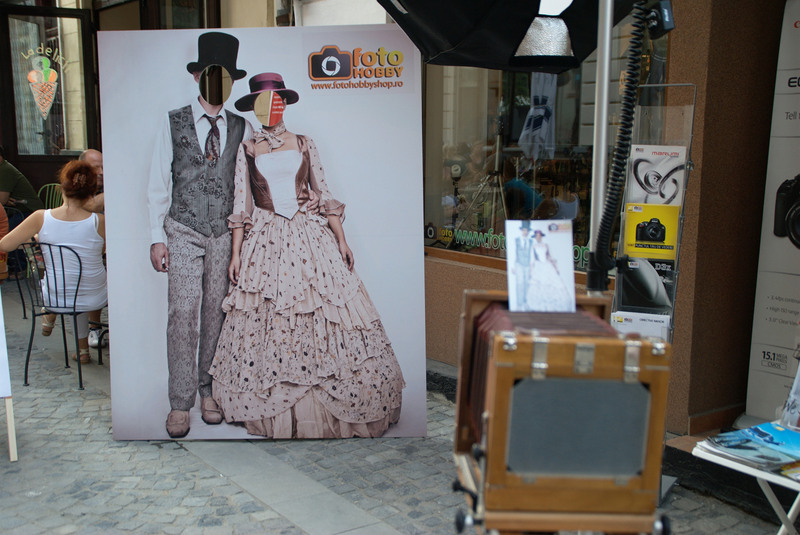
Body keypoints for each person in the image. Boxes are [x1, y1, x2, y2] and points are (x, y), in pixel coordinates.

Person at [208, 72, 405, 439]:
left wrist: (342, 240)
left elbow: (323, 191)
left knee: (322, 308)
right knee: (273, 313)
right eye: (262, 103)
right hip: (267, 237)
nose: (270, 107)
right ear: (255, 108)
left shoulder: (303, 142)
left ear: (283, 103)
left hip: (307, 232)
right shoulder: (248, 148)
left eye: (275, 100)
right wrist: (236, 254)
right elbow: (241, 203)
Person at [147, 32, 253, 439]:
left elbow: (249, 184)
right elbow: (158, 182)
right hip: (183, 229)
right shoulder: (173, 121)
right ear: (197, 77)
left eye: (225, 76)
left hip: (224, 233)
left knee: (216, 313)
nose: (217, 82)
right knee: (182, 313)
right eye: (211, 74)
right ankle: (180, 401)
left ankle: (208, 391)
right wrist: (156, 236)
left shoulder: (242, 126)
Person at [0, 160, 107, 364]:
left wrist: (38, 239)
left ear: (61, 188)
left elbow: (5, 245)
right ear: (91, 193)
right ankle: (82, 350)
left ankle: (50, 313)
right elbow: (103, 251)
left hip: (57, 295)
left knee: (68, 286)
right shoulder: (99, 221)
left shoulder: (41, 218)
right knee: (80, 285)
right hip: (96, 297)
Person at [78, 149, 107, 349]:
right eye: (96, 167)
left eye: (104, 166)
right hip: (88, 250)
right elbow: (90, 206)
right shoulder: (76, 188)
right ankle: (93, 328)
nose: (102, 172)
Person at [527, 229, 572, 311]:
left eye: (539, 236)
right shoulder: (534, 247)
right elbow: (532, 259)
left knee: (553, 283)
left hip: (547, 265)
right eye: (536, 236)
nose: (538, 237)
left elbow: (549, 256)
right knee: (539, 284)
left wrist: (555, 267)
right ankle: (541, 303)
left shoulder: (546, 245)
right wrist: (532, 271)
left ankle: (553, 303)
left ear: (541, 237)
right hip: (539, 266)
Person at [0, 145, 44, 226]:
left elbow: (2, 200)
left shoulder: (4, 170)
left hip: (27, 212)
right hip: (14, 211)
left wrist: (4, 200)